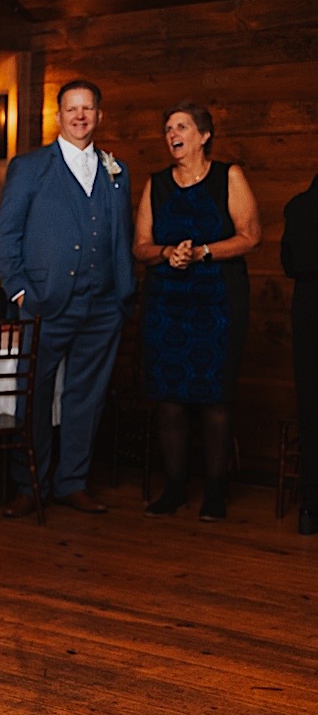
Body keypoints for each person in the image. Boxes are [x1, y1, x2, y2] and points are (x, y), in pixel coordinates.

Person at [0, 78, 136, 517]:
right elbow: (6, 234)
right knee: (32, 394)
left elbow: (119, 234)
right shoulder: (30, 166)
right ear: (59, 116)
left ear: (98, 115)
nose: (80, 116)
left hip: (103, 304)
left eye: (87, 109)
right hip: (44, 303)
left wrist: (122, 293)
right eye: (72, 109)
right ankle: (28, 482)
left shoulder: (117, 171)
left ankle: (72, 482)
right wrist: (20, 290)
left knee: (86, 396)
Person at [134, 101, 261, 520]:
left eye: (182, 126)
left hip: (219, 300)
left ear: (204, 135)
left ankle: (216, 492)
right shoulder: (157, 183)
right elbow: (140, 246)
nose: (173, 134)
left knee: (215, 398)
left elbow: (249, 235)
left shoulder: (230, 176)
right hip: (166, 302)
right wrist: (167, 252)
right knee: (169, 398)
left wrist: (203, 251)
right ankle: (174, 489)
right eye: (168, 127)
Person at [281, 172, 318, 535]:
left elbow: (289, 264)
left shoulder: (297, 206)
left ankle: (310, 506)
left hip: (307, 306)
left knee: (310, 406)